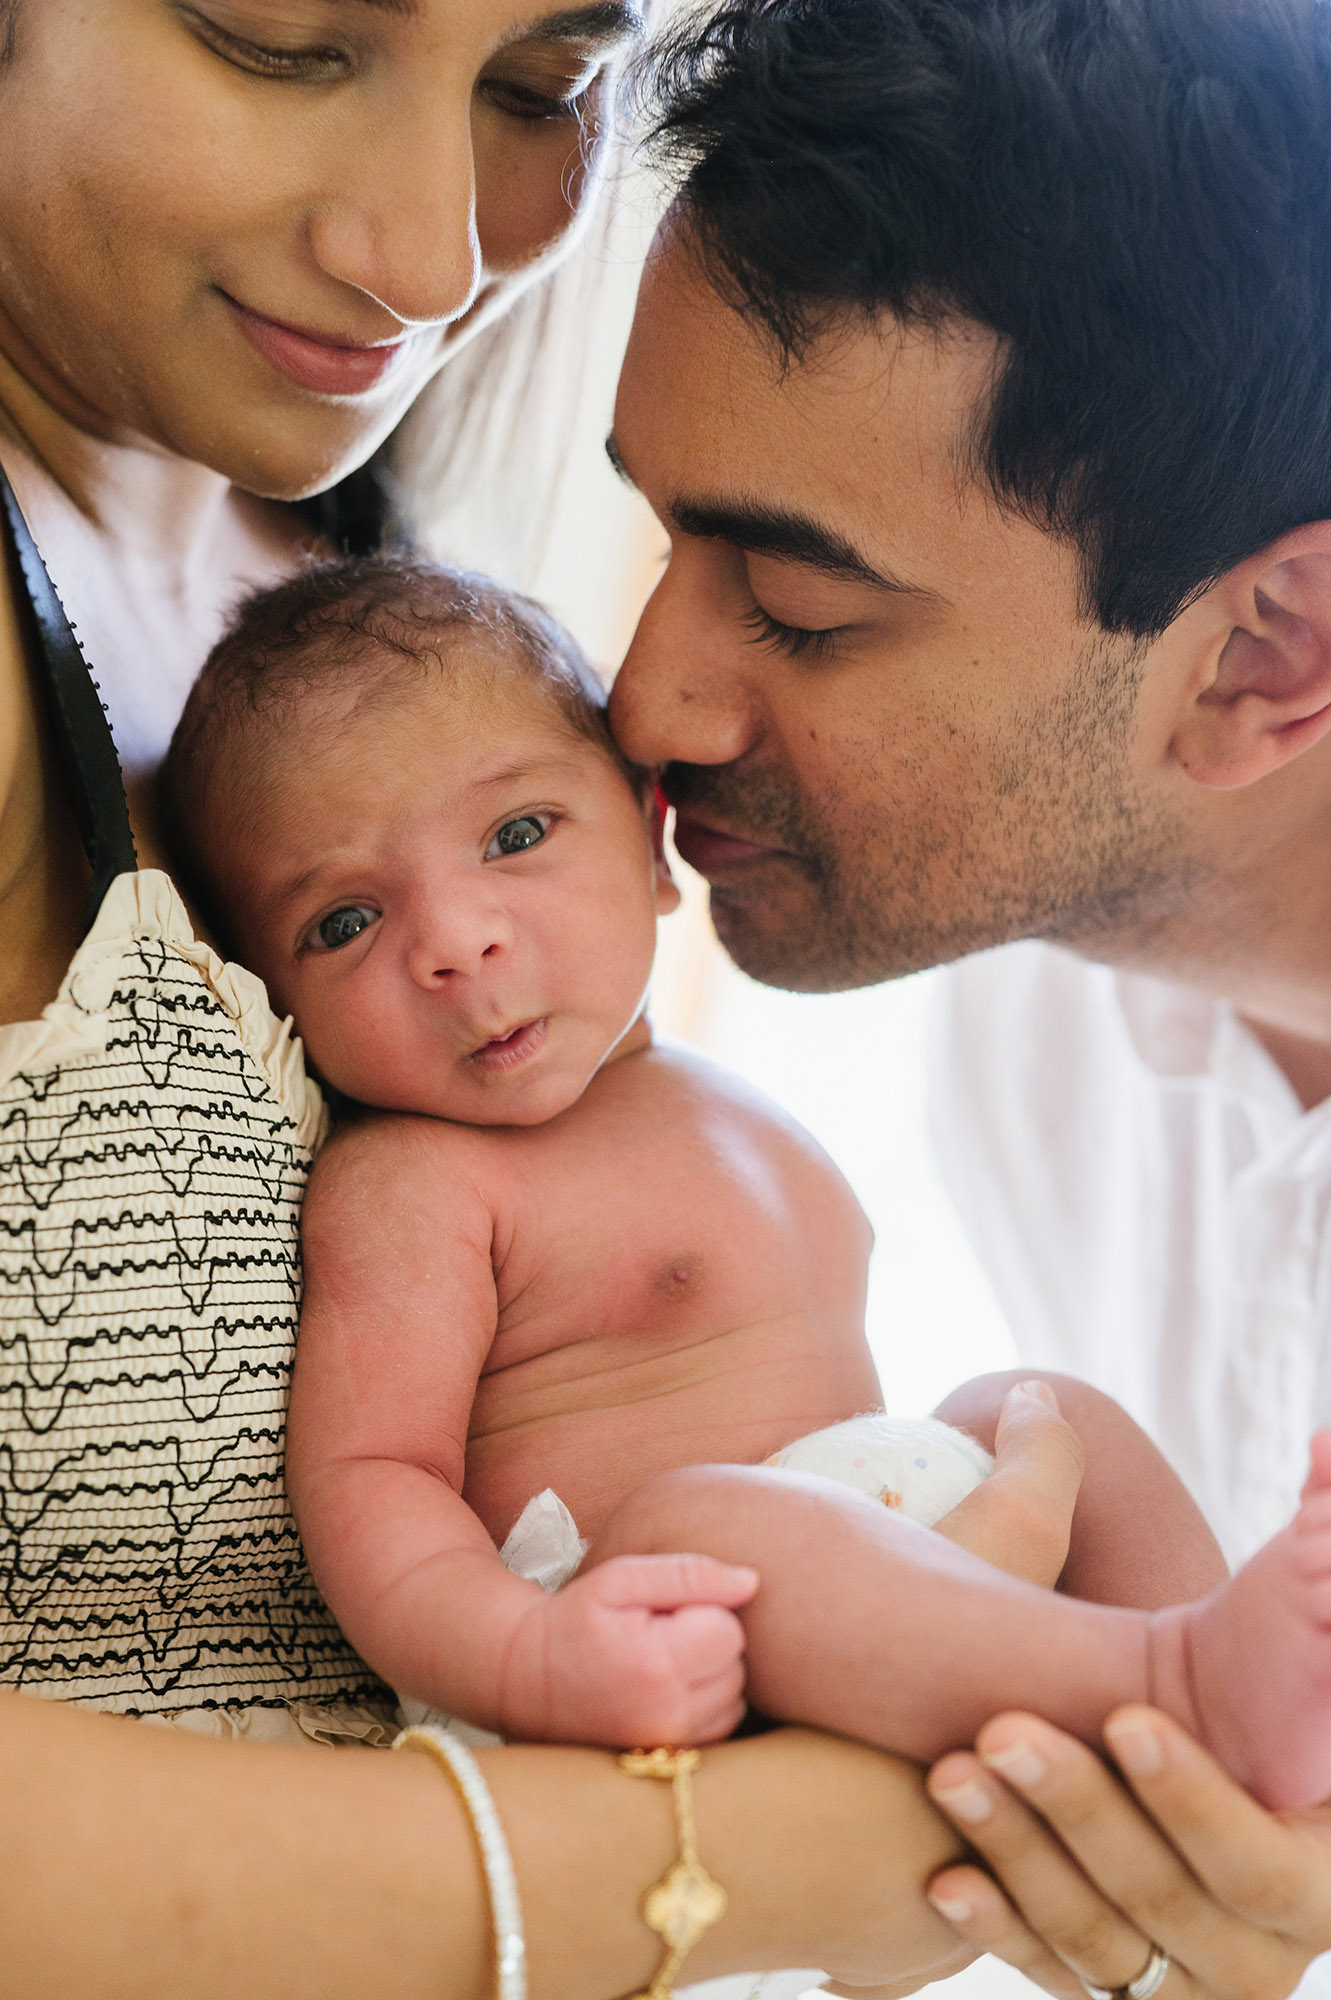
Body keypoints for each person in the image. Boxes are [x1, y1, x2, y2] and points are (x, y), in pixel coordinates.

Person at [0, 1, 1060, 1992]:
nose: (432, 261)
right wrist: (716, 1862)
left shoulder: (371, 570)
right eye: (279, 38)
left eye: (537, 90)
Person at [161, 549, 1331, 1817]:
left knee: (1040, 1406)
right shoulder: (414, 1179)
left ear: (656, 844)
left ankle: (1217, 1738)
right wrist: (522, 1652)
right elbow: (371, 1474)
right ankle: (1171, 1677)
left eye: (513, 835)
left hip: (879, 1579)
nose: (454, 940)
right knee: (710, 1516)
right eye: (343, 920)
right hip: (647, 1639)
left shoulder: (728, 1104)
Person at [602, 0, 1331, 1989]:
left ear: (1260, 653)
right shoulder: (1022, 1020)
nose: (643, 700)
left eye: (801, 606)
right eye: (658, 536)